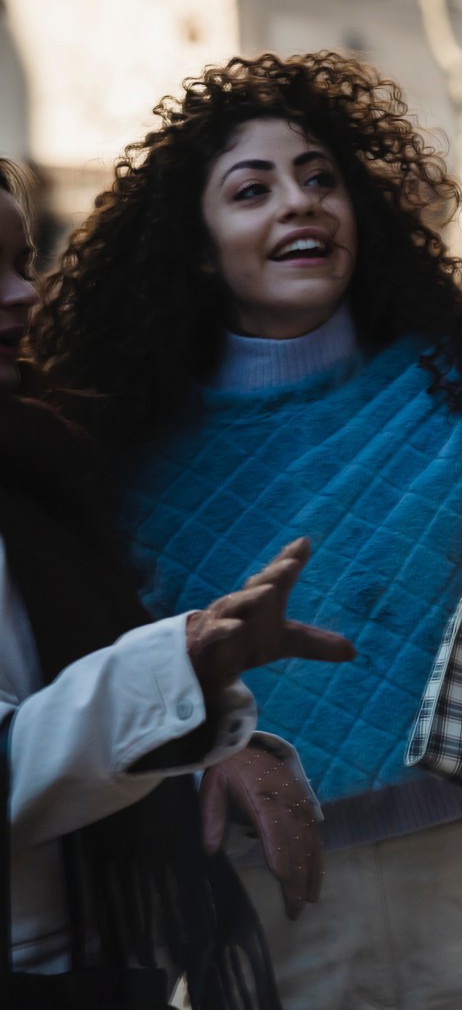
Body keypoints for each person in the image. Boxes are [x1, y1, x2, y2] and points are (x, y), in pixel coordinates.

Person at [28, 53, 462, 1007]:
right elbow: (92, 682)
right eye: (251, 189)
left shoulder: (460, 379)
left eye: (319, 179)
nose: (298, 204)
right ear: (194, 242)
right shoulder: (122, 443)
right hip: (260, 895)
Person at [2, 156, 352, 1007]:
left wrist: (207, 752)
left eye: (21, 264)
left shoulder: (44, 458)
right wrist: (181, 673)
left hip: (110, 957)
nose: (22, 298)